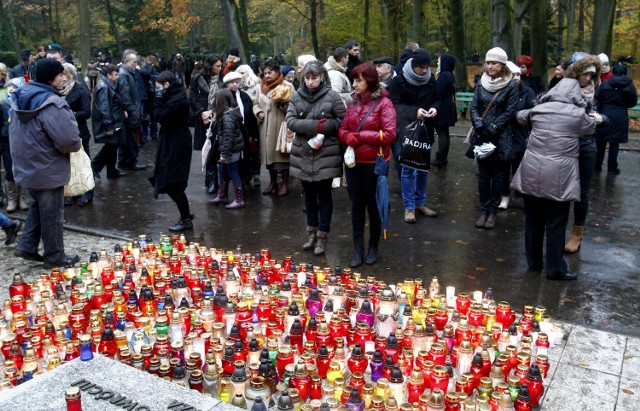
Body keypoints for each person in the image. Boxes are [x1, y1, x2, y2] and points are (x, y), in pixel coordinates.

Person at [511, 78, 596, 281]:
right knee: (556, 223)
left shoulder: (539, 109)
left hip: (532, 172)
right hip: (559, 176)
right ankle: (555, 269)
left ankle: (534, 263)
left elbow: (521, 116)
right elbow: (590, 130)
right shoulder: (578, 115)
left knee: (533, 220)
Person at [9, 58, 81, 268]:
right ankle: (55, 257)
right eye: (60, 75)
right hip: (47, 166)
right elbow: (68, 139)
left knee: (38, 206)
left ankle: (27, 245)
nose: (63, 78)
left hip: (27, 165)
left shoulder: (21, 97)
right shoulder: (51, 103)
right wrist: (74, 146)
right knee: (52, 215)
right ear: (51, 79)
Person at [286, 60, 346, 255]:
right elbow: (291, 121)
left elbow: (342, 121)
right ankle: (311, 231)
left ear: (322, 77)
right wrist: (316, 125)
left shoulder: (333, 96)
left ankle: (322, 235)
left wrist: (324, 127)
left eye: (315, 78)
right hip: (303, 152)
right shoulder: (297, 96)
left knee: (324, 194)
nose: (311, 82)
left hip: (325, 153)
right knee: (309, 195)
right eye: (308, 78)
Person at [339, 62, 396, 266]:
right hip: (354, 164)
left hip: (375, 163)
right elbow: (343, 128)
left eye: (358, 80)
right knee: (356, 206)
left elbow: (390, 134)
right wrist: (347, 137)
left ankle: (373, 246)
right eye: (353, 80)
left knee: (373, 206)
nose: (354, 84)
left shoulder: (384, 104)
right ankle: (358, 249)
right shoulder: (352, 102)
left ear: (370, 81)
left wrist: (360, 135)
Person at [388, 48, 440, 223]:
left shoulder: (430, 80)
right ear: (414, 65)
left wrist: (435, 108)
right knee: (408, 169)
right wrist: (413, 112)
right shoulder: (399, 81)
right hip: (406, 130)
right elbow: (393, 105)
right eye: (421, 67)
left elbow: (437, 98)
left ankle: (421, 202)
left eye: (427, 67)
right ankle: (409, 206)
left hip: (425, 130)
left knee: (423, 169)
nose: (424, 71)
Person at [470, 47, 519, 229]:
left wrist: (493, 127)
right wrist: (479, 125)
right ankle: (483, 210)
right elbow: (474, 106)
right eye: (488, 62)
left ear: (502, 65)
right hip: (482, 134)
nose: (490, 66)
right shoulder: (481, 82)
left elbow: (510, 111)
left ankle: (492, 212)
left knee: (498, 176)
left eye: (494, 63)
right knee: (483, 176)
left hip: (501, 137)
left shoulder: (511, 85)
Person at [562, 52, 604, 253]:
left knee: (581, 192)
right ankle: (557, 231)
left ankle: (576, 234)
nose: (587, 78)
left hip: (587, 145)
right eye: (584, 74)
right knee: (561, 189)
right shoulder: (562, 87)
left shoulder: (598, 90)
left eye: (591, 74)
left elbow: (610, 115)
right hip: (565, 143)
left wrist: (601, 119)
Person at [149, 71, 194, 231]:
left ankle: (186, 219)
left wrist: (159, 100)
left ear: (167, 85)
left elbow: (160, 115)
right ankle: (186, 214)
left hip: (177, 142)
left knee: (173, 182)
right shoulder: (172, 96)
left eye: (159, 87)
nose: (158, 90)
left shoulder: (178, 99)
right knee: (168, 179)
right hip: (169, 140)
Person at [253, 58, 295, 196]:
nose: (267, 76)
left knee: (282, 157)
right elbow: (255, 103)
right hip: (264, 127)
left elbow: (294, 107)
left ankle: (284, 183)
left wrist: (282, 103)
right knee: (269, 157)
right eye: (264, 73)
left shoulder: (287, 86)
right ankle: (272, 183)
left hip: (280, 126)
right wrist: (258, 112)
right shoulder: (260, 87)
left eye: (270, 72)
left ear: (277, 72)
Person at [499, 61, 536, 210]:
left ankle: (520, 195)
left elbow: (532, 113)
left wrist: (514, 116)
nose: (516, 78)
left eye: (518, 75)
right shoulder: (500, 91)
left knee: (520, 168)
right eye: (512, 74)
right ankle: (504, 196)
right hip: (504, 135)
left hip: (521, 135)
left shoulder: (528, 92)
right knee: (503, 169)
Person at [594, 62, 637, 175]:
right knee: (614, 143)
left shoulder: (605, 83)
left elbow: (597, 96)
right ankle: (612, 168)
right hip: (620, 115)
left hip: (605, 113)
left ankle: (597, 166)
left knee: (601, 142)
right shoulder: (629, 85)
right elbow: (633, 101)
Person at [190, 54, 224, 194]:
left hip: (219, 116)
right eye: (217, 66)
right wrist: (202, 112)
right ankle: (211, 179)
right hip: (203, 118)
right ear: (210, 66)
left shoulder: (223, 79)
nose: (220, 68)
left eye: (221, 66)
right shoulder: (198, 78)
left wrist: (215, 112)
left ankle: (216, 178)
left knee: (217, 148)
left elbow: (226, 97)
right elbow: (192, 97)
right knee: (208, 148)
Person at [223, 71, 260, 197]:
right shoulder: (224, 96)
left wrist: (253, 134)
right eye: (232, 82)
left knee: (246, 157)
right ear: (227, 84)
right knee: (231, 159)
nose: (235, 84)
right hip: (229, 132)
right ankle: (228, 185)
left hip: (245, 131)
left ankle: (245, 181)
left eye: (237, 82)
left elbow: (250, 116)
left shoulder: (244, 96)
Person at [60, 63, 93, 207]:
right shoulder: (58, 91)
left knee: (84, 164)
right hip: (63, 133)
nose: (61, 78)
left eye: (63, 75)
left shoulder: (81, 90)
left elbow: (86, 112)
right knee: (68, 164)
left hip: (79, 132)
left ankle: (88, 193)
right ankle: (71, 193)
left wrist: (70, 115)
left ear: (70, 76)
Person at [209, 88, 246, 209]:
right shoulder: (227, 115)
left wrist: (224, 155)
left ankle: (239, 199)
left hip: (231, 151)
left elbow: (228, 138)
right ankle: (222, 195)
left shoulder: (228, 118)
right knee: (222, 170)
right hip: (228, 150)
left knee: (233, 172)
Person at [91, 64, 126, 182]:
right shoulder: (104, 87)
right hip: (111, 122)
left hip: (114, 120)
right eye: (116, 75)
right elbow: (104, 107)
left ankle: (111, 169)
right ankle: (94, 167)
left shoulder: (108, 85)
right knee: (110, 146)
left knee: (113, 145)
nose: (118, 77)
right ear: (108, 75)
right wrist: (109, 126)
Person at [2, 77, 28, 213]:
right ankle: (11, 198)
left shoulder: (24, 104)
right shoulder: (3, 104)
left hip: (22, 141)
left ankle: (22, 197)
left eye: (15, 87)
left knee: (22, 168)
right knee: (9, 169)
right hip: (6, 141)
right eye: (9, 86)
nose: (11, 89)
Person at [117, 49, 145, 171]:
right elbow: (124, 94)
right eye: (134, 62)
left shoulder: (127, 73)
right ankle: (131, 161)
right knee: (131, 137)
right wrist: (132, 109)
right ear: (126, 61)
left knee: (129, 137)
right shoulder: (124, 74)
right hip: (131, 112)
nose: (136, 64)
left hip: (131, 110)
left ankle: (126, 161)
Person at [432, 53, 457, 169]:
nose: (437, 63)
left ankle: (440, 157)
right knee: (445, 133)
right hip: (448, 107)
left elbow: (438, 92)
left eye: (439, 61)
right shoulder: (450, 75)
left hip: (442, 107)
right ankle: (443, 157)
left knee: (441, 133)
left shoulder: (443, 75)